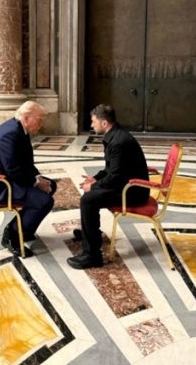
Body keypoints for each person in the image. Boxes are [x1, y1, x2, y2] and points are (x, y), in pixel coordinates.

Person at [67, 104, 149, 269]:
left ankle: (92, 256)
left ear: (104, 123)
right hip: (125, 185)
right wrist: (95, 179)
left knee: (88, 200)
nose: (92, 125)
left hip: (132, 192)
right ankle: (91, 235)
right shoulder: (116, 136)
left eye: (94, 121)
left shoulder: (119, 142)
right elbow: (110, 170)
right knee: (90, 197)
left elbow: (116, 176)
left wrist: (94, 187)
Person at [0, 101, 57, 257]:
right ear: (26, 118)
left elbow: (25, 162)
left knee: (51, 186)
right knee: (44, 201)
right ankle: (11, 235)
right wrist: (36, 182)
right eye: (39, 119)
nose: (42, 123)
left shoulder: (19, 129)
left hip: (8, 178)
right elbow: (13, 170)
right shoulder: (10, 134)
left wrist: (38, 178)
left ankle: (24, 229)